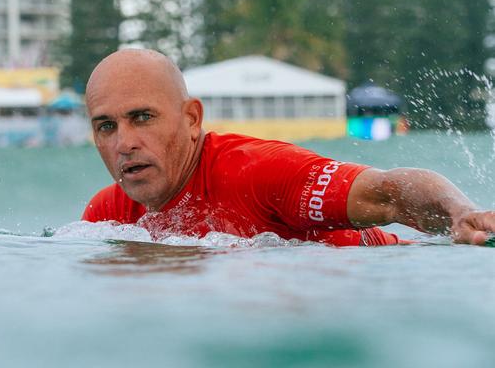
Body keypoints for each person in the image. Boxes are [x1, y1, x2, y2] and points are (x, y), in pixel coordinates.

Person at [81, 49, 495, 246]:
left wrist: (460, 213)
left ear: (192, 118)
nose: (124, 143)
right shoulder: (107, 215)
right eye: (106, 126)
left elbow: (389, 193)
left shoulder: (259, 172)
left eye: (142, 117)